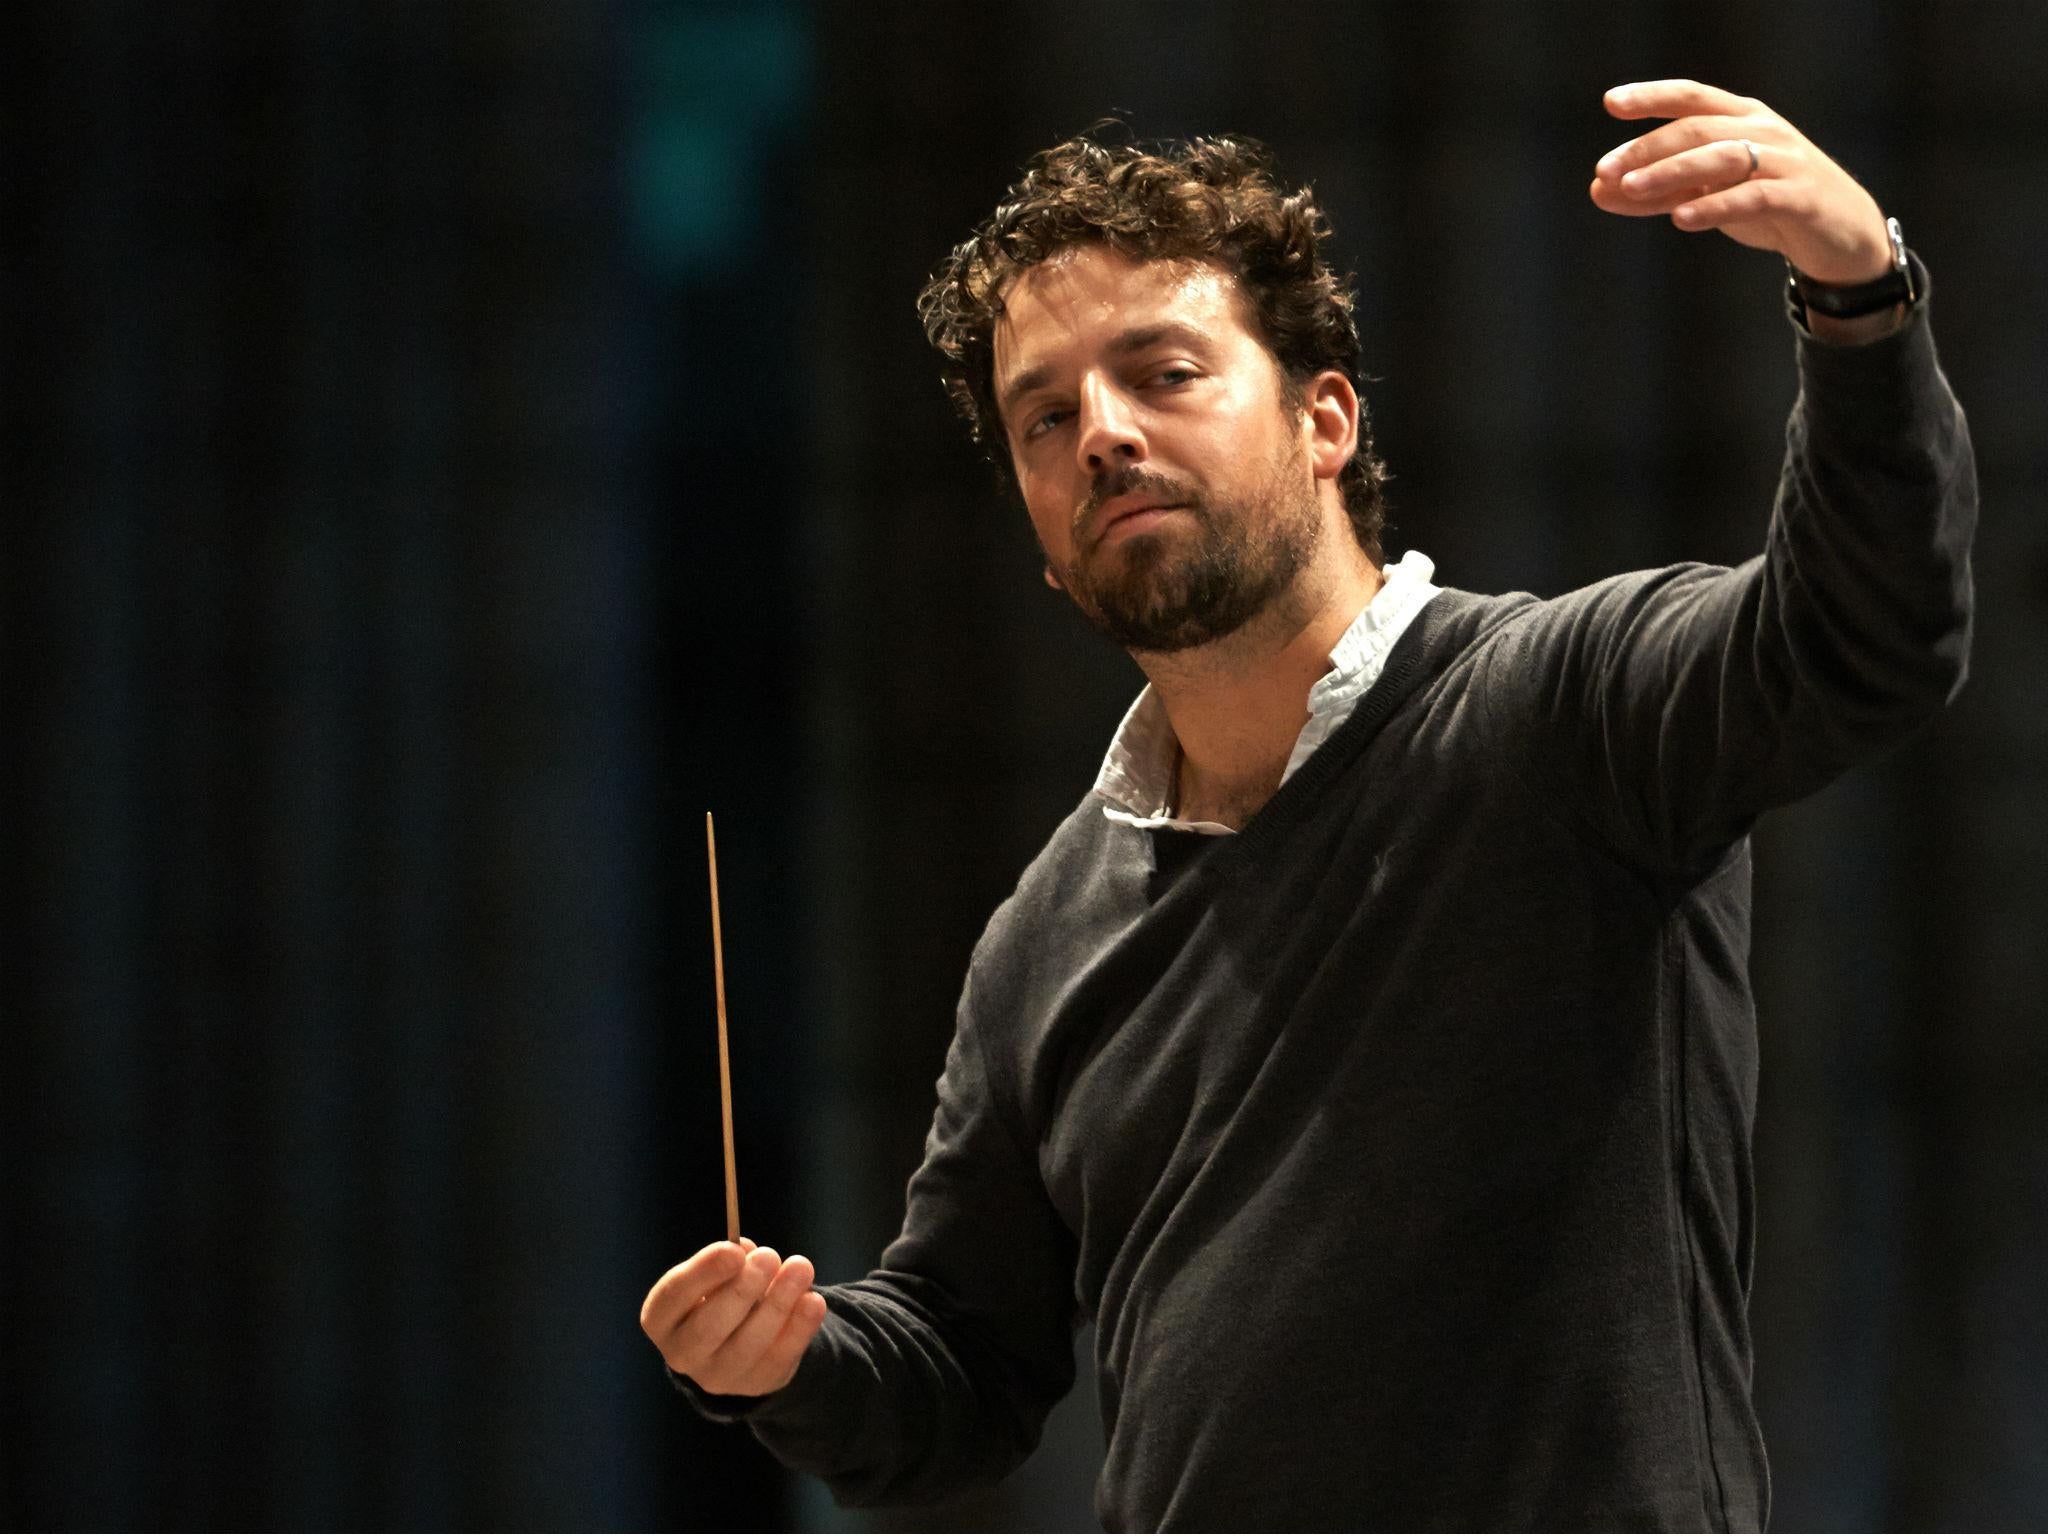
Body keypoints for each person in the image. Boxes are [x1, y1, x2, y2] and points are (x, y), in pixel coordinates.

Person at [640, 79, 1975, 1530]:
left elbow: (1866, 634)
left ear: (1326, 418)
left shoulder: (1561, 709)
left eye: (1162, 373)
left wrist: (1860, 295)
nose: (1099, 435)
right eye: (1044, 417)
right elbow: (959, 1369)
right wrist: (785, 1360)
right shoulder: (1051, 926)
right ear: (1036, 533)